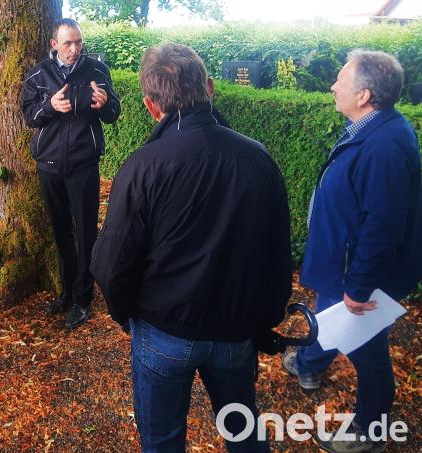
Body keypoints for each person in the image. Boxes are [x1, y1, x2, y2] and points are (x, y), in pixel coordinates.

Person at [90, 44, 293, 452]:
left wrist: (126, 313)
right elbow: (277, 253)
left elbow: (114, 261)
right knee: (243, 432)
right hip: (234, 328)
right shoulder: (257, 158)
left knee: (163, 440)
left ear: (150, 105)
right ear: (211, 88)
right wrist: (265, 321)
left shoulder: (143, 164)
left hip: (165, 329)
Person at [282, 50, 421, 453]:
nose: (333, 85)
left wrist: (360, 287)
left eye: (340, 80)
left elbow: (382, 228)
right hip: (343, 264)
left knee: (367, 348)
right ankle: (308, 365)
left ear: (363, 94)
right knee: (329, 316)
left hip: (355, 273)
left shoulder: (384, 147)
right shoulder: (375, 127)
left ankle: (370, 430)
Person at [21, 18, 120, 329]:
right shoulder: (39, 74)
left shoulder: (97, 70)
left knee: (87, 232)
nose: (75, 49)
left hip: (83, 164)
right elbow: (28, 116)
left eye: (78, 42)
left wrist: (105, 105)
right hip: (49, 165)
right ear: (55, 45)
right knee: (61, 231)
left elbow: (113, 113)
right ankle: (66, 292)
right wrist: (50, 105)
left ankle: (83, 299)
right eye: (68, 43)